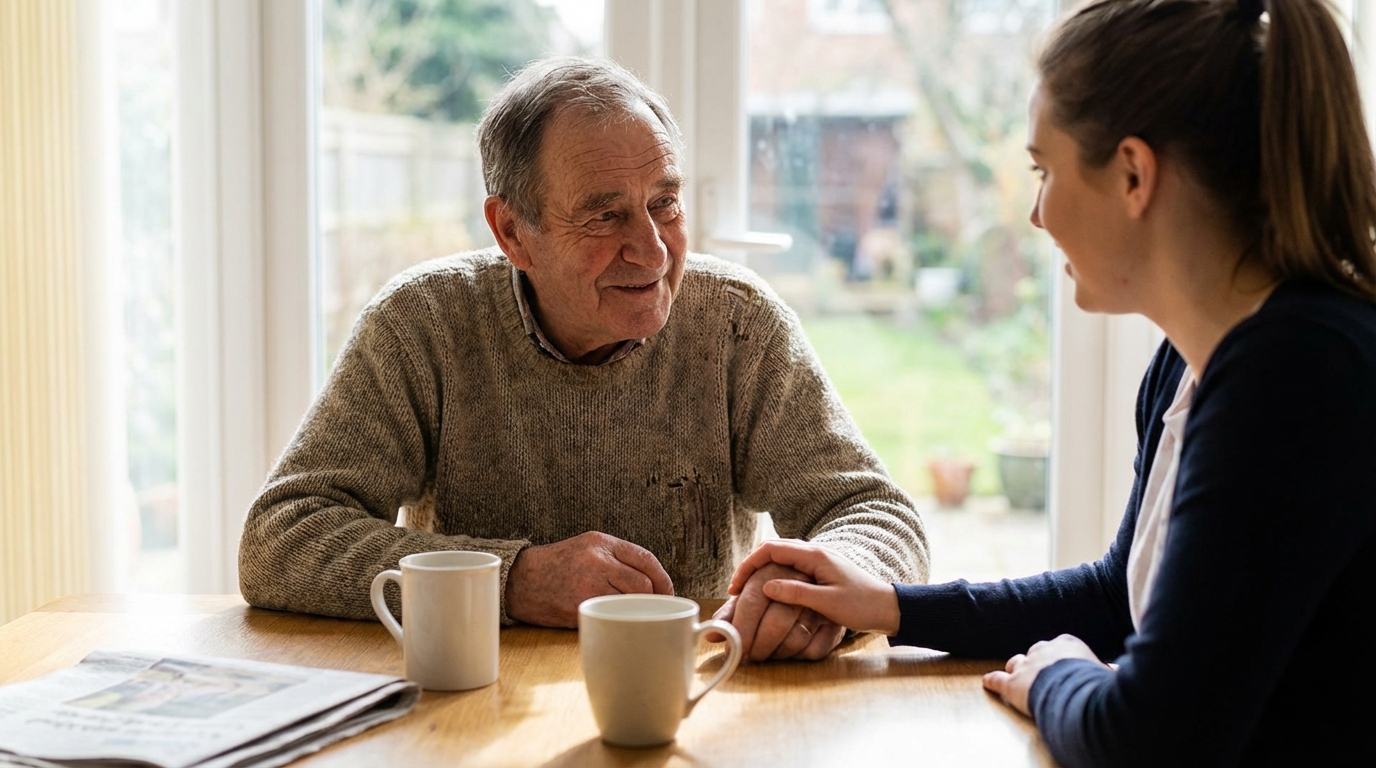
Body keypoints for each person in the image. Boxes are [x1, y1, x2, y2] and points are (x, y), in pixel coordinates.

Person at [727, 0, 1376, 763]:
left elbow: (1147, 742)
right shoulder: (1190, 364)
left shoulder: (1297, 376)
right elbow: (1116, 599)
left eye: (1045, 171)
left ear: (1133, 174)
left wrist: (1056, 676)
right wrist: (891, 606)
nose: (1036, 214)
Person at [237, 57, 928, 662]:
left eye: (665, 203)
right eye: (605, 216)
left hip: (687, 699)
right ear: (513, 231)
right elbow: (279, 540)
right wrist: (513, 578)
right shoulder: (424, 325)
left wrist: (820, 592)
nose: (654, 252)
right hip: (475, 710)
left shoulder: (737, 324)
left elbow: (877, 514)